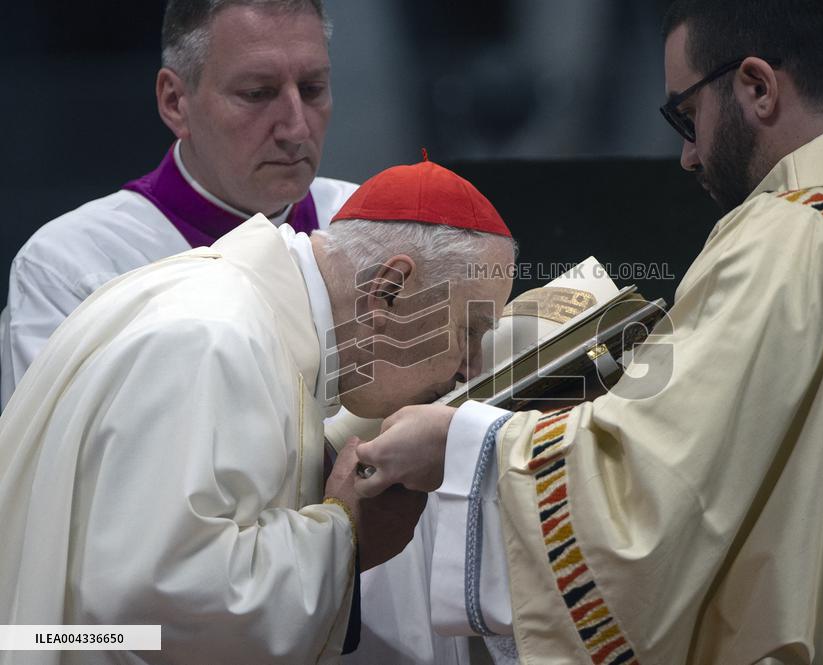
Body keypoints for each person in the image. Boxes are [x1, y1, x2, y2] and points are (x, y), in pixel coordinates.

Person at [354, 0, 823, 662]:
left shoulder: (793, 238)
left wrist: (465, 445)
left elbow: (656, 488)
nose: (688, 156)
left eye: (685, 117)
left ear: (757, 87)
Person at [0, 159, 515, 665]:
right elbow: (155, 597)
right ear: (389, 290)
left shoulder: (233, 310)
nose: (470, 369)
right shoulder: (213, 338)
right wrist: (345, 535)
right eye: (468, 331)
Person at [0, 0, 357, 408]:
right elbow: (53, 464)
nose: (296, 128)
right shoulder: (73, 268)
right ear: (174, 101)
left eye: (312, 89)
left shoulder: (370, 222)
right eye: (258, 93)